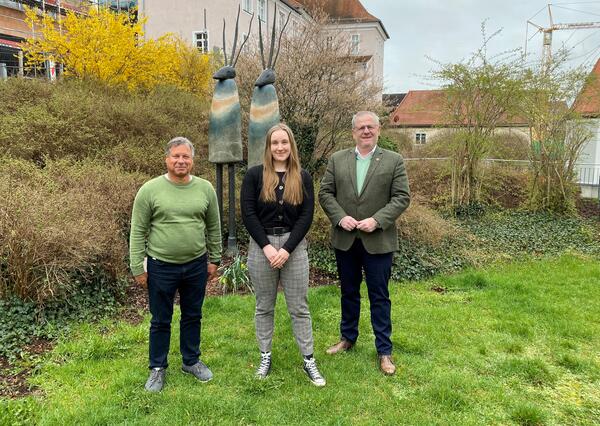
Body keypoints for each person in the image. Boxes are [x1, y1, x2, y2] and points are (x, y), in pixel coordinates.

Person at [318, 111, 410, 375]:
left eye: (370, 127)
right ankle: (348, 339)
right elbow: (325, 193)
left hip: (378, 240)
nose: (366, 131)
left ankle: (384, 351)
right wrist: (340, 217)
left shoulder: (393, 161)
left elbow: (402, 197)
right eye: (361, 128)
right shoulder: (337, 160)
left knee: (379, 296)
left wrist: (378, 220)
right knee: (348, 292)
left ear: (379, 129)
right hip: (346, 239)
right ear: (353, 132)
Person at [129, 136, 222, 392]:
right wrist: (138, 266)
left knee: (193, 315)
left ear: (192, 161)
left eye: (186, 157)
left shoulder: (205, 189)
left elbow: (214, 226)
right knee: (160, 319)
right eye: (176, 156)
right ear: (166, 159)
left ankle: (191, 361)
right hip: (161, 266)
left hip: (195, 265)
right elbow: (138, 230)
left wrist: (214, 258)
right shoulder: (150, 190)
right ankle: (157, 368)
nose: (181, 161)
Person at [241, 123, 326, 387]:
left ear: (291, 146)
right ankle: (265, 356)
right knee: (264, 306)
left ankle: (308, 359)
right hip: (261, 245)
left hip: (294, 245)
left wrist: (287, 249)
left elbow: (306, 216)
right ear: (268, 147)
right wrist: (267, 246)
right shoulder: (254, 176)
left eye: (284, 143)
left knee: (299, 307)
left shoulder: (302, 177)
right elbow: (248, 214)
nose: (279, 147)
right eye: (274, 143)